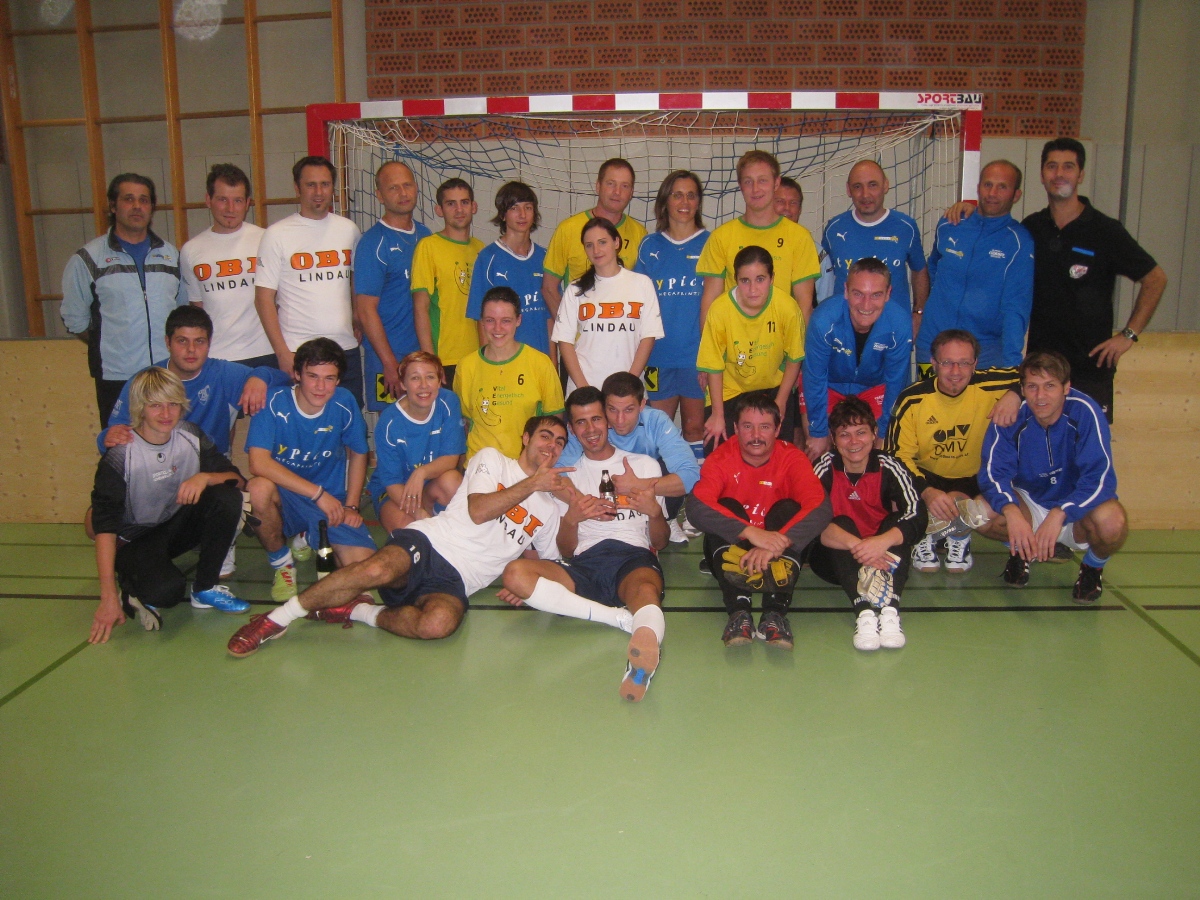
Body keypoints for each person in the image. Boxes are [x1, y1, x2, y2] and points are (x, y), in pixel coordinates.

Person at [227, 415, 572, 656]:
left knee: (438, 625)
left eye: (560, 443)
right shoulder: (493, 460)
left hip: (460, 579)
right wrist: (532, 484)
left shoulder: (549, 510)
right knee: (375, 570)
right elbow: (479, 510)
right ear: (526, 438)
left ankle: (359, 612)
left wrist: (529, 589)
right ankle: (275, 620)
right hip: (431, 542)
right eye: (545, 436)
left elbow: (548, 562)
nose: (552, 445)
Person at [950, 138, 1168, 421]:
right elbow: (993, 227)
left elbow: (1155, 279)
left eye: (1068, 167)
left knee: (1084, 445)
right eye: (1052, 166)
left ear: (1081, 174)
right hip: (1040, 370)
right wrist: (968, 211)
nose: (1059, 174)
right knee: (1037, 444)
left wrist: (1128, 335)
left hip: (1089, 369)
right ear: (1042, 175)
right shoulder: (1031, 229)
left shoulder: (1105, 231)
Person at [499, 388, 669, 702]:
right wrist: (572, 518)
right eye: (580, 422)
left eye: (596, 419)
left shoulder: (644, 466)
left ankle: (642, 661)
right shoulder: (564, 478)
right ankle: (621, 619)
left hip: (633, 558)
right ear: (573, 429)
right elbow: (566, 550)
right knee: (515, 574)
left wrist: (655, 512)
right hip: (584, 564)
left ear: (607, 420)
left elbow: (660, 542)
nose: (590, 429)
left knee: (646, 591)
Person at [89, 367, 249, 644]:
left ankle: (205, 588)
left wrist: (205, 477)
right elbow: (104, 529)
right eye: (155, 405)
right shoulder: (120, 456)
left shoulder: (190, 435)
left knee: (227, 496)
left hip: (174, 528)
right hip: (134, 541)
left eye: (173, 404)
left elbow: (238, 480)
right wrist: (107, 596)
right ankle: (129, 587)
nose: (166, 413)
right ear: (140, 408)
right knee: (167, 593)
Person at [978, 350, 1127, 602]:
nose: (1040, 396)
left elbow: (1099, 478)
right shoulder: (1010, 414)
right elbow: (993, 473)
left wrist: (1061, 513)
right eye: (1032, 387)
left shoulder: (1085, 412)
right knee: (979, 513)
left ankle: (1092, 567)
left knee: (1113, 522)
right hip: (1031, 503)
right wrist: (1011, 511)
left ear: (1066, 387)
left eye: (1050, 386)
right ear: (1022, 389)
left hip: (1075, 509)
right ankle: (1022, 551)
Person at [686, 393, 831, 650]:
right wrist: (750, 532)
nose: (756, 435)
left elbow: (820, 507)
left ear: (777, 429)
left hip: (777, 547)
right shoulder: (721, 458)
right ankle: (738, 612)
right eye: (747, 426)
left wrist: (776, 543)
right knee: (725, 506)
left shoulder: (792, 458)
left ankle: (775, 614)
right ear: (735, 428)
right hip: (736, 546)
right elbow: (696, 506)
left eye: (764, 427)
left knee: (789, 509)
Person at [244, 338, 376, 603]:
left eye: (329, 378)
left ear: (338, 380)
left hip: (332, 502)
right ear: (296, 374)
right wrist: (317, 494)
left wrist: (351, 506)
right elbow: (258, 463)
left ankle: (308, 534)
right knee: (257, 489)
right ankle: (282, 563)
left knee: (366, 571)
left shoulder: (344, 402)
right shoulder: (273, 402)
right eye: (312, 376)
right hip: (287, 497)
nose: (320, 387)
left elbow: (359, 452)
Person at [884, 329, 1019, 574]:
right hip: (928, 476)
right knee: (895, 499)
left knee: (993, 513)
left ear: (975, 364)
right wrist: (926, 491)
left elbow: (1039, 373)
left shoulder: (993, 385)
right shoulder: (912, 399)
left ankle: (959, 536)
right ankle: (924, 535)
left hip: (975, 477)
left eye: (964, 363)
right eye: (947, 362)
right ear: (933, 363)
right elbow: (897, 457)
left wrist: (1016, 394)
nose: (955, 372)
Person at [61, 173, 186, 427]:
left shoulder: (171, 256)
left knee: (168, 442)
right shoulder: (88, 259)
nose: (137, 206)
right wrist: (113, 345)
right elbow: (75, 319)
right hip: (116, 377)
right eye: (129, 199)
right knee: (120, 444)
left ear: (152, 207)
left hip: (166, 372)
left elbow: (181, 312)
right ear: (113, 205)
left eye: (144, 200)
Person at [810, 397, 926, 651]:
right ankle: (864, 613)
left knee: (897, 523)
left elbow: (917, 513)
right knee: (840, 522)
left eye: (861, 432)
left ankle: (890, 611)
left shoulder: (889, 466)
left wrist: (881, 542)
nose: (854, 442)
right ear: (834, 439)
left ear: (874, 433)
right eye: (844, 434)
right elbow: (811, 519)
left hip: (882, 557)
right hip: (836, 562)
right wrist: (860, 547)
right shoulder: (823, 468)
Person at [99, 305, 289, 458]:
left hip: (212, 467)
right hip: (158, 467)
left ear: (209, 343)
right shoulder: (144, 381)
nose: (191, 349)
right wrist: (106, 438)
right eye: (182, 341)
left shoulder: (223, 374)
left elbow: (287, 381)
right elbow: (112, 434)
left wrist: (260, 376)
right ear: (167, 342)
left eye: (199, 341)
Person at [254, 156, 364, 404]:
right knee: (305, 424)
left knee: (349, 420)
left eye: (325, 184)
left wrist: (357, 316)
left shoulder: (349, 230)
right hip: (299, 351)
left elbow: (355, 281)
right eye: (310, 185)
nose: (318, 192)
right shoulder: (277, 234)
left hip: (345, 348)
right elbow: (263, 299)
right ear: (297, 188)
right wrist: (282, 353)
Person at [557, 372, 702, 544]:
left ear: (642, 405)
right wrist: (588, 505)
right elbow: (556, 474)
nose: (620, 420)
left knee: (664, 468)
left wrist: (637, 485)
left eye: (629, 410)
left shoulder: (656, 421)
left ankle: (666, 519)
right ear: (603, 406)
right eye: (612, 410)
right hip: (606, 488)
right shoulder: (591, 428)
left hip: (644, 483)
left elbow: (691, 476)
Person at [916, 160, 1034, 370]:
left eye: (1002, 187)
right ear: (978, 187)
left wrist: (1012, 366)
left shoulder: (1019, 242)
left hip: (984, 355)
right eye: (988, 184)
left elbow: (1016, 307)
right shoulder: (950, 223)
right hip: (932, 346)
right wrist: (924, 313)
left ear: (1016, 195)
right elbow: (932, 269)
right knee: (927, 393)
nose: (992, 193)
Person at [803, 257, 913, 461]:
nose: (866, 304)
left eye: (876, 295)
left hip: (873, 387)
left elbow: (896, 383)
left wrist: (883, 432)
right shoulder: (823, 320)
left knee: (882, 452)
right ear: (846, 291)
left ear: (888, 294)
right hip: (829, 385)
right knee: (817, 450)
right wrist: (818, 431)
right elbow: (814, 377)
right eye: (858, 294)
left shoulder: (899, 323)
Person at [635, 170, 708, 464]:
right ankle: (662, 489)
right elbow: (639, 305)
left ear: (698, 202)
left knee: (695, 429)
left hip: (697, 358)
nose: (684, 202)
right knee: (659, 431)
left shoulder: (711, 244)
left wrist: (712, 358)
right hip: (658, 357)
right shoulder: (650, 246)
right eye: (677, 195)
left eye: (691, 195)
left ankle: (695, 490)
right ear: (665, 200)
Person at [697, 245, 804, 447]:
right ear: (735, 280)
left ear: (772, 278)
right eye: (745, 281)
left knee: (778, 451)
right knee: (716, 440)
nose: (753, 289)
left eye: (760, 279)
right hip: (730, 389)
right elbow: (713, 365)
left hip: (775, 388)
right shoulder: (719, 310)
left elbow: (794, 358)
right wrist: (718, 414)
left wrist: (781, 402)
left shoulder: (787, 308)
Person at [697, 150, 821, 323]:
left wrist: (796, 341)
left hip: (782, 337)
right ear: (740, 185)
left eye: (762, 180)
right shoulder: (721, 237)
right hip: (734, 338)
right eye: (748, 181)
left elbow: (804, 306)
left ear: (776, 183)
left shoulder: (799, 237)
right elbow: (710, 305)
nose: (755, 189)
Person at [353, 161, 432, 410]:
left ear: (416, 188)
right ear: (380, 195)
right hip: (387, 359)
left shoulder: (426, 236)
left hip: (422, 356)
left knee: (425, 421)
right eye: (393, 188)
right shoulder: (372, 243)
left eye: (407, 185)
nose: (403, 193)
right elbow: (365, 310)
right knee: (391, 422)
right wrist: (389, 364)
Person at [552, 217, 663, 394]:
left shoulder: (641, 284)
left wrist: (628, 385)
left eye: (602, 242)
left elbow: (648, 338)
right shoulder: (575, 289)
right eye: (589, 245)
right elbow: (564, 342)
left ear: (616, 242)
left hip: (628, 390)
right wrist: (585, 389)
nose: (596, 250)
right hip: (584, 389)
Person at [181, 163, 273, 368]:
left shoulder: (267, 240)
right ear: (208, 200)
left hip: (266, 354)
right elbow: (198, 309)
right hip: (218, 356)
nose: (230, 209)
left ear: (247, 203)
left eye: (238, 200)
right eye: (223, 200)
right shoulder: (191, 250)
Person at [454, 286, 563, 458]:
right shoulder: (466, 366)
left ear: (518, 320)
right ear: (482, 321)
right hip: (481, 464)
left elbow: (555, 421)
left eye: (506, 321)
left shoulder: (540, 363)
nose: (497, 328)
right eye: (490, 320)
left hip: (524, 464)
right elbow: (465, 423)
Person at [821, 159, 929, 324]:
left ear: (885, 185)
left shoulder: (906, 227)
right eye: (857, 187)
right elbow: (822, 275)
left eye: (873, 185)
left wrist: (919, 312)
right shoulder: (833, 229)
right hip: (844, 327)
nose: (865, 195)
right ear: (848, 190)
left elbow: (919, 270)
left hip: (893, 327)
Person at [368, 351, 465, 533]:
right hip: (396, 491)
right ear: (403, 384)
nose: (423, 385)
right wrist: (420, 514)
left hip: (430, 483)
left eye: (430, 377)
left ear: (439, 381)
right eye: (415, 378)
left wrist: (421, 473)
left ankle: (444, 523)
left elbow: (451, 459)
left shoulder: (448, 402)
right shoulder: (388, 423)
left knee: (452, 481)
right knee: (412, 530)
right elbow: (392, 483)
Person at [542, 157, 646, 325]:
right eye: (611, 184)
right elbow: (549, 288)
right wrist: (569, 328)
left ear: (631, 192)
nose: (617, 192)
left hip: (624, 335)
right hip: (580, 339)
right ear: (598, 186)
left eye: (625, 186)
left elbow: (642, 292)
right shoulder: (568, 229)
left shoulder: (640, 234)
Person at [411, 177, 485, 385]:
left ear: (474, 207)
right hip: (445, 359)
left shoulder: (482, 250)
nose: (459, 209)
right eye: (451, 203)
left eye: (464, 202)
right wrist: (430, 361)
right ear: (439, 210)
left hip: (478, 357)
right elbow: (421, 307)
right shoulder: (428, 247)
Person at [466, 181, 552, 357]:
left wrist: (552, 362)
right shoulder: (488, 258)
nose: (522, 214)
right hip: (504, 361)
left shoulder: (546, 258)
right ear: (503, 215)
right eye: (514, 208)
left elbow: (550, 317)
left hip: (539, 360)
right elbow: (481, 319)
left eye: (528, 207)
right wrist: (488, 363)